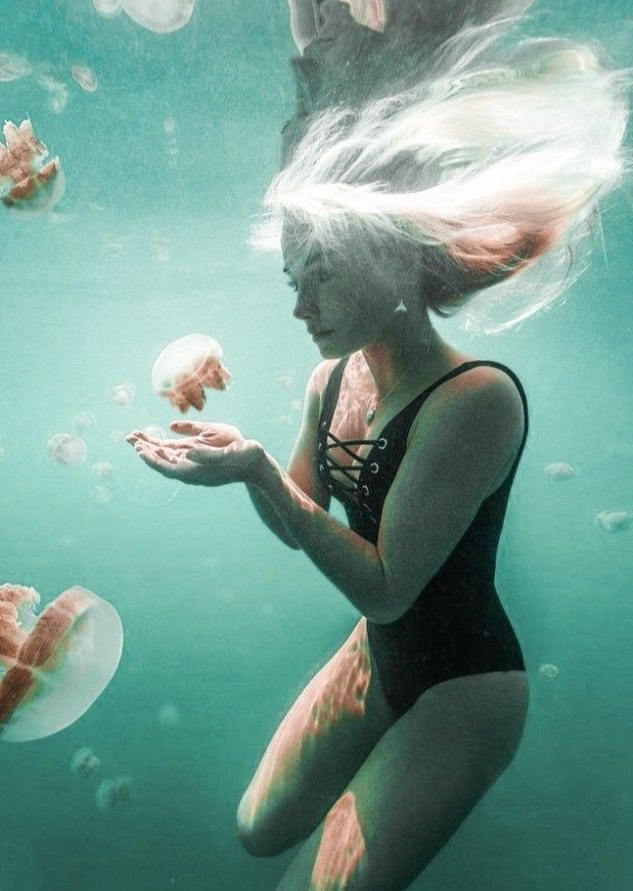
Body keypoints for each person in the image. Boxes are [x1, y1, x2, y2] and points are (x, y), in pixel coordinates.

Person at [127, 2, 627, 887]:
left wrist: (251, 469)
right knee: (256, 829)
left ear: (390, 252)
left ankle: (424, 765)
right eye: (293, 277)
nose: (299, 304)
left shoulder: (476, 399)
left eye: (319, 272)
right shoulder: (332, 380)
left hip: (466, 687)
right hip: (380, 657)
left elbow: (389, 588)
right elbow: (301, 511)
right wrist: (235, 463)